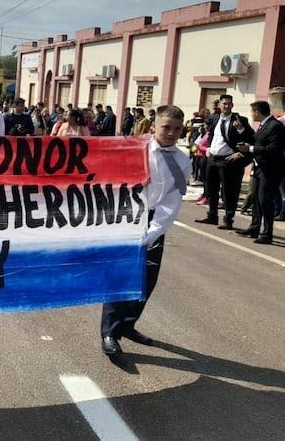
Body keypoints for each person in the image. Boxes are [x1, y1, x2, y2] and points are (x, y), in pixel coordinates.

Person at [100, 105, 191, 355]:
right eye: (166, 127)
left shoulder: (182, 161)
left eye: (177, 129)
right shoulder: (135, 149)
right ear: (154, 126)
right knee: (121, 277)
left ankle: (128, 325)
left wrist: (153, 232)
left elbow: (172, 201)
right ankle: (110, 332)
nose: (171, 133)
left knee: (146, 279)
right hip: (126, 217)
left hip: (155, 221)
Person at [195, 95, 254, 230]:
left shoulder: (240, 120)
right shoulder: (215, 119)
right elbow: (211, 135)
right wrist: (209, 148)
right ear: (219, 105)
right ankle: (212, 216)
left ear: (232, 106)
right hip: (213, 159)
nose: (226, 106)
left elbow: (251, 138)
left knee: (228, 191)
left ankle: (228, 219)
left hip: (228, 161)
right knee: (211, 189)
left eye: (229, 104)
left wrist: (240, 130)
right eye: (224, 104)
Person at [235, 101, 285, 244]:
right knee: (256, 199)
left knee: (265, 201)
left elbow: (273, 150)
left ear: (257, 112)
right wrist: (241, 131)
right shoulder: (263, 125)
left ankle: (267, 233)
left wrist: (250, 149)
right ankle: (254, 228)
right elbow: (255, 140)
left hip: (271, 170)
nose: (251, 114)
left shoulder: (276, 126)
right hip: (259, 168)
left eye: (252, 111)